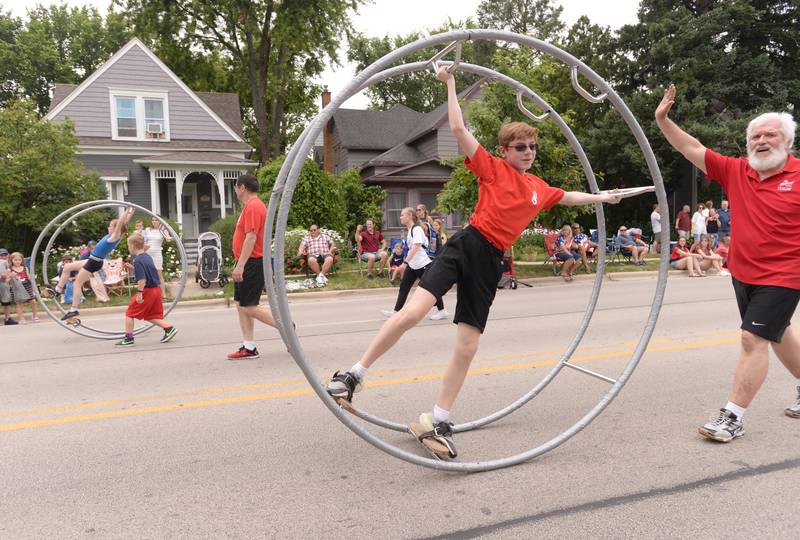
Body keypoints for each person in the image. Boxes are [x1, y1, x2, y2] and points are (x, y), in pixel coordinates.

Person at [324, 65, 622, 458]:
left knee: (468, 344)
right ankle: (354, 375)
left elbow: (568, 197)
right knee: (414, 312)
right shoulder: (492, 168)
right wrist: (449, 83)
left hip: (490, 261)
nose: (528, 152)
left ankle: (438, 419)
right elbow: (460, 131)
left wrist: (603, 198)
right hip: (467, 244)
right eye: (520, 147)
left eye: (531, 146)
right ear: (505, 150)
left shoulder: (539, 188)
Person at [656, 83, 800, 442]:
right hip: (743, 271)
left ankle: (732, 417)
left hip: (785, 274)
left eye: (770, 135)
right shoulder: (737, 170)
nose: (761, 140)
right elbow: (690, 147)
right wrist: (662, 120)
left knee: (753, 338)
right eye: (755, 135)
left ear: (787, 143)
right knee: (777, 333)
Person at [46, 207, 135, 321]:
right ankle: (57, 290)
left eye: (110, 226)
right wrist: (131, 211)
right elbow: (124, 223)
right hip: (92, 259)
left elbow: (121, 223)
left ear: (115, 229)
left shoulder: (114, 237)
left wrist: (127, 209)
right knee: (67, 267)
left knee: (77, 283)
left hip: (94, 262)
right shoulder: (113, 236)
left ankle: (73, 309)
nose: (108, 227)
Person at [227, 173, 278, 359]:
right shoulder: (249, 206)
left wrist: (240, 265)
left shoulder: (254, 206)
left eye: (235, 187)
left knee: (249, 307)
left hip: (251, 262)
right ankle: (249, 347)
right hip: (245, 261)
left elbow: (251, 237)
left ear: (242, 187)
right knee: (241, 305)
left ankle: (286, 327)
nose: (235, 191)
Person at [380, 207, 448, 320]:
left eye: (402, 215)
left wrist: (405, 263)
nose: (400, 217)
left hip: (423, 265)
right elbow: (411, 249)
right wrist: (407, 262)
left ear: (410, 216)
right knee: (404, 287)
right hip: (413, 265)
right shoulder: (411, 229)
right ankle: (396, 312)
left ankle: (442, 311)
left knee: (431, 289)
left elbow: (416, 247)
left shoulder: (416, 229)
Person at [115, 234, 177, 346]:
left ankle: (129, 338)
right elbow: (147, 272)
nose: (129, 248)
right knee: (151, 316)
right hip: (156, 290)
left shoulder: (138, 260)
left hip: (147, 291)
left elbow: (142, 279)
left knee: (130, 313)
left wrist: (139, 294)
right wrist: (133, 269)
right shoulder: (147, 257)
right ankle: (169, 328)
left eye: (129, 245)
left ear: (133, 246)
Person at [143, 215, 173, 300]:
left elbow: (168, 239)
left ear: (160, 221)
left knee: (159, 274)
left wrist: (170, 237)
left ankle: (163, 295)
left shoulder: (163, 230)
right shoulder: (147, 229)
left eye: (156, 220)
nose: (154, 222)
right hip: (147, 254)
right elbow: (143, 240)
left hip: (157, 254)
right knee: (147, 274)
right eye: (153, 220)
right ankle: (149, 295)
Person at [8, 252, 38, 323]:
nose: (17, 261)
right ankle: (21, 319)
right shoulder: (10, 269)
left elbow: (30, 278)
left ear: (22, 260)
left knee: (33, 301)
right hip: (17, 288)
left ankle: (35, 316)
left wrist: (33, 279)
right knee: (19, 303)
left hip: (27, 286)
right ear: (11, 260)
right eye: (15, 260)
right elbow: (7, 281)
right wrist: (11, 276)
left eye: (19, 260)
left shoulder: (25, 268)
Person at [0, 248, 17, 325]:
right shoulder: (2, 262)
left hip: (5, 285)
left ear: (8, 255)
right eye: (1, 255)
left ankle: (7, 318)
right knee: (5, 301)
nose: (3, 256)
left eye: (5, 254)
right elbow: (3, 276)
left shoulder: (9, 263)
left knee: (6, 302)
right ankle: (7, 318)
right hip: (2, 283)